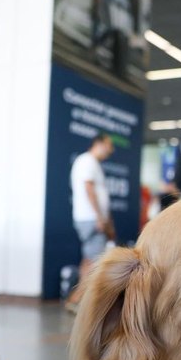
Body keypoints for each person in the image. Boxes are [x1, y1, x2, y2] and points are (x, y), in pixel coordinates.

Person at [67, 133, 116, 311]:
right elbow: (88, 189)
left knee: (88, 260)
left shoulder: (93, 163)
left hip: (93, 218)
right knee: (94, 261)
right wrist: (99, 217)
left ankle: (77, 300)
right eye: (109, 145)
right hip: (91, 219)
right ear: (99, 143)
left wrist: (107, 220)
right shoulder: (86, 161)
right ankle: (76, 300)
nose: (111, 150)